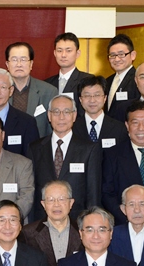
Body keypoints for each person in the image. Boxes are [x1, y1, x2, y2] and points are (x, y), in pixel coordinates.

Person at [28, 94, 102, 222]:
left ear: (74, 116)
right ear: (49, 116)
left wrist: (90, 222)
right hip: (43, 220)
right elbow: (32, 190)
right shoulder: (35, 148)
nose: (61, 117)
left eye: (67, 112)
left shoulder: (89, 149)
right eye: (56, 112)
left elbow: (93, 192)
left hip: (77, 220)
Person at [19, 180, 83, 266]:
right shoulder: (27, 233)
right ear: (43, 204)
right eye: (51, 200)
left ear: (71, 203)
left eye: (61, 199)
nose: (56, 204)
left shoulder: (83, 231)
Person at [5, 42, 58, 138]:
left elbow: (53, 130)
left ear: (31, 64)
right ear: (7, 64)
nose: (19, 64)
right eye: (14, 59)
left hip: (37, 145)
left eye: (23, 59)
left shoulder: (49, 92)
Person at [73, 75, 128, 147]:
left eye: (97, 95)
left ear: (105, 98)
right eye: (87, 95)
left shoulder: (119, 128)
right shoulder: (72, 127)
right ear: (80, 99)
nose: (92, 100)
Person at [44, 33, 93, 113]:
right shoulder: (47, 83)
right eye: (59, 51)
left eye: (68, 51)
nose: (63, 55)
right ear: (55, 53)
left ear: (77, 53)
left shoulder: (88, 81)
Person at [105, 34, 140, 119]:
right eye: (112, 55)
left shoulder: (138, 80)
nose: (116, 59)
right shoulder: (107, 81)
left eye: (121, 54)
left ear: (133, 55)